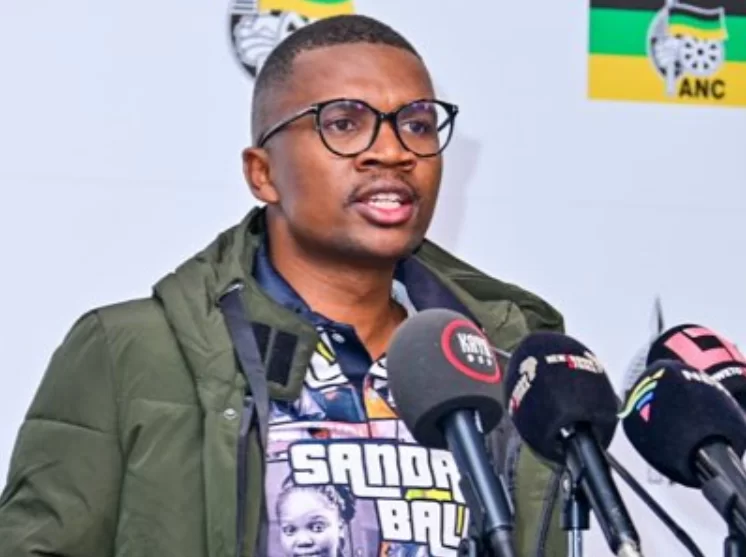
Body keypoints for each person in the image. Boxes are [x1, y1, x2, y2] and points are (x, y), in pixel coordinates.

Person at [0, 13, 567, 557]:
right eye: (343, 123)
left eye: (417, 124)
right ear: (263, 173)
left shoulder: (500, 359)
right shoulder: (133, 352)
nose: (393, 151)